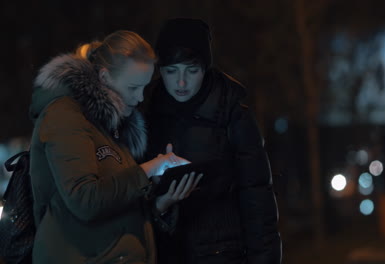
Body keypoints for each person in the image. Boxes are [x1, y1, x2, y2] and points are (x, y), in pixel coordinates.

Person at [29, 30, 201, 264]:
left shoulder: (112, 125)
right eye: (133, 88)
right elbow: (85, 202)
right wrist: (148, 169)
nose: (140, 98)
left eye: (144, 88)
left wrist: (160, 203)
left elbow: (116, 208)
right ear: (105, 78)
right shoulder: (65, 116)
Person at [143, 18, 282, 263]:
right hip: (164, 253)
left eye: (191, 70)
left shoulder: (232, 112)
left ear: (205, 67)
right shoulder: (145, 110)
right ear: (159, 69)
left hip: (223, 253)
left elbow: (258, 200)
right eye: (171, 71)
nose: (181, 82)